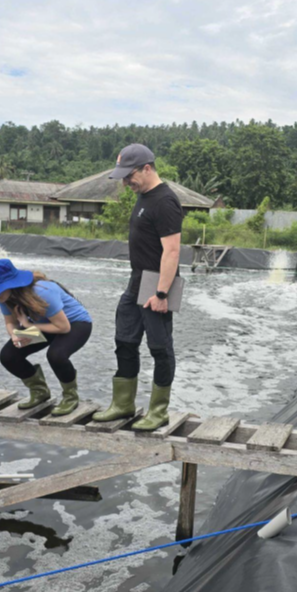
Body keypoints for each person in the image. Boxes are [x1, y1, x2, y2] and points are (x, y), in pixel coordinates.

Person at [92, 143, 182, 431]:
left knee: (160, 348)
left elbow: (172, 252)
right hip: (137, 280)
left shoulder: (165, 201)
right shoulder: (144, 195)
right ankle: (123, 404)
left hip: (158, 283)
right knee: (125, 341)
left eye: (128, 175)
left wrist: (161, 294)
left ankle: (158, 411)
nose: (125, 182)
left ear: (147, 168)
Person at [0, 258, 92, 416]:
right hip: (43, 325)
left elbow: (63, 327)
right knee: (9, 356)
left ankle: (70, 397)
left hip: (74, 324)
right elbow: (10, 322)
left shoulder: (42, 291)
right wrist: (15, 335)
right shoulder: (4, 296)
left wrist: (28, 327)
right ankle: (40, 392)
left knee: (56, 355)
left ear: (10, 284)